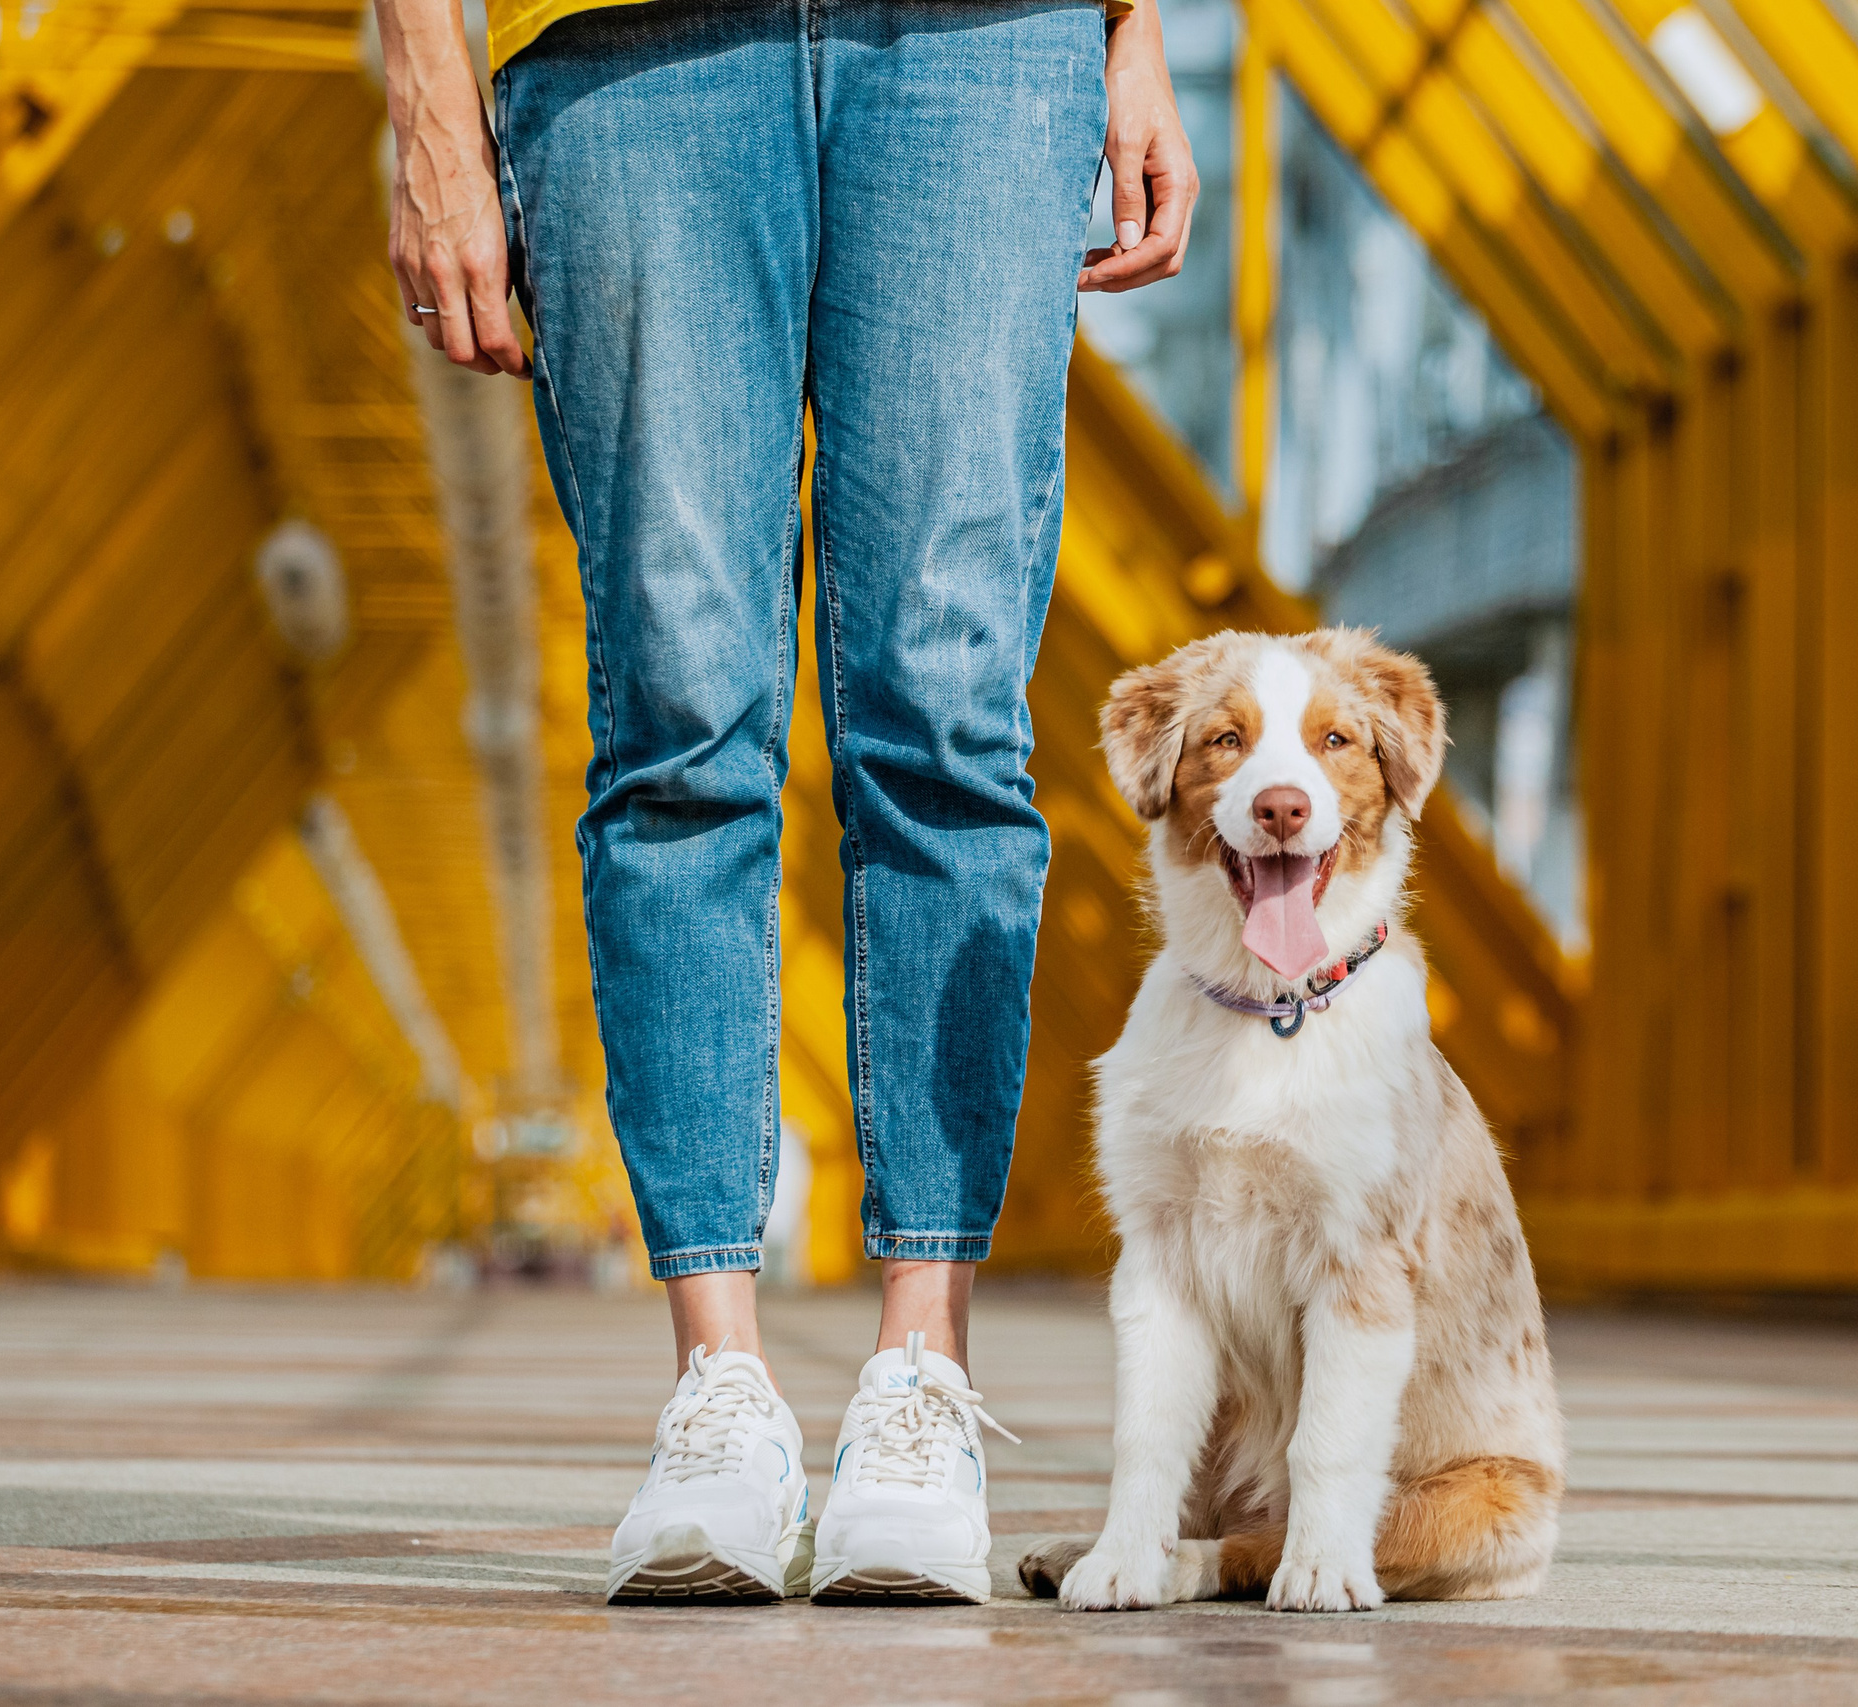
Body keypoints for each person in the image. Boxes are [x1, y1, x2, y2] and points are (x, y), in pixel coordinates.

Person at [371, 0, 1196, 1605]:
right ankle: (718, 1396)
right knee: (681, 718)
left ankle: (921, 1383)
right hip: (625, 45)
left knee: (948, 713)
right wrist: (425, 88)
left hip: (985, 39)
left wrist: (1136, 31)